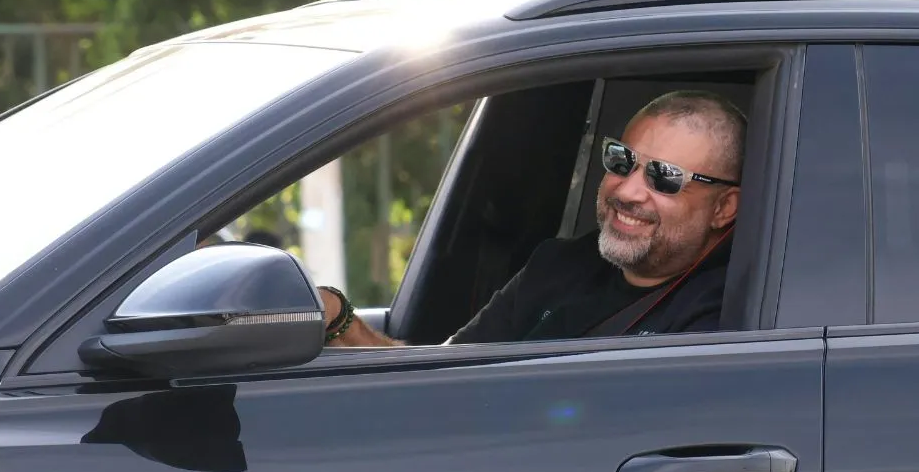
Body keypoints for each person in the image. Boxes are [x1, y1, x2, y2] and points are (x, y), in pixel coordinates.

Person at [318, 89, 747, 347]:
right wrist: (340, 323)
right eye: (621, 160)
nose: (628, 190)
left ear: (725, 207)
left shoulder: (733, 309)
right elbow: (444, 382)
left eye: (663, 177)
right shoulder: (557, 265)